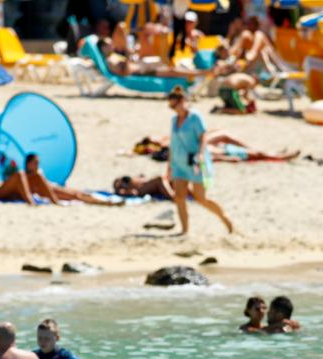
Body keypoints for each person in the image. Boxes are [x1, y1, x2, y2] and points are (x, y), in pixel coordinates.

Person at [167, 86, 233, 235]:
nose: (173, 109)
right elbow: (172, 143)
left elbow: (203, 136)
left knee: (200, 198)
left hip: (195, 163)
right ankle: (184, 230)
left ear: (182, 101)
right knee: (179, 197)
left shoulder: (195, 117)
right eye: (170, 106)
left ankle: (225, 218)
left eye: (174, 105)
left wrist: (201, 153)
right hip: (178, 164)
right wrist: (169, 165)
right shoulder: (174, 120)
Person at [0, 153, 123, 207]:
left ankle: (104, 202)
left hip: (9, 188)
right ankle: (34, 202)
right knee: (20, 175)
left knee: (75, 194)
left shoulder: (30, 177)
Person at [97, 37, 208, 78]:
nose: (112, 45)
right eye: (109, 44)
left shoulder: (114, 56)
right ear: (103, 48)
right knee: (172, 70)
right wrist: (128, 56)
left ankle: (200, 71)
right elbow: (123, 72)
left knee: (168, 62)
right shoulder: (110, 61)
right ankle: (203, 72)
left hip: (141, 65)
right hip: (141, 71)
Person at [206, 131, 300, 162]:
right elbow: (207, 158)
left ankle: (277, 154)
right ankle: (281, 157)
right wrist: (226, 158)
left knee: (257, 153)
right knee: (258, 154)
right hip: (225, 152)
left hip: (222, 149)